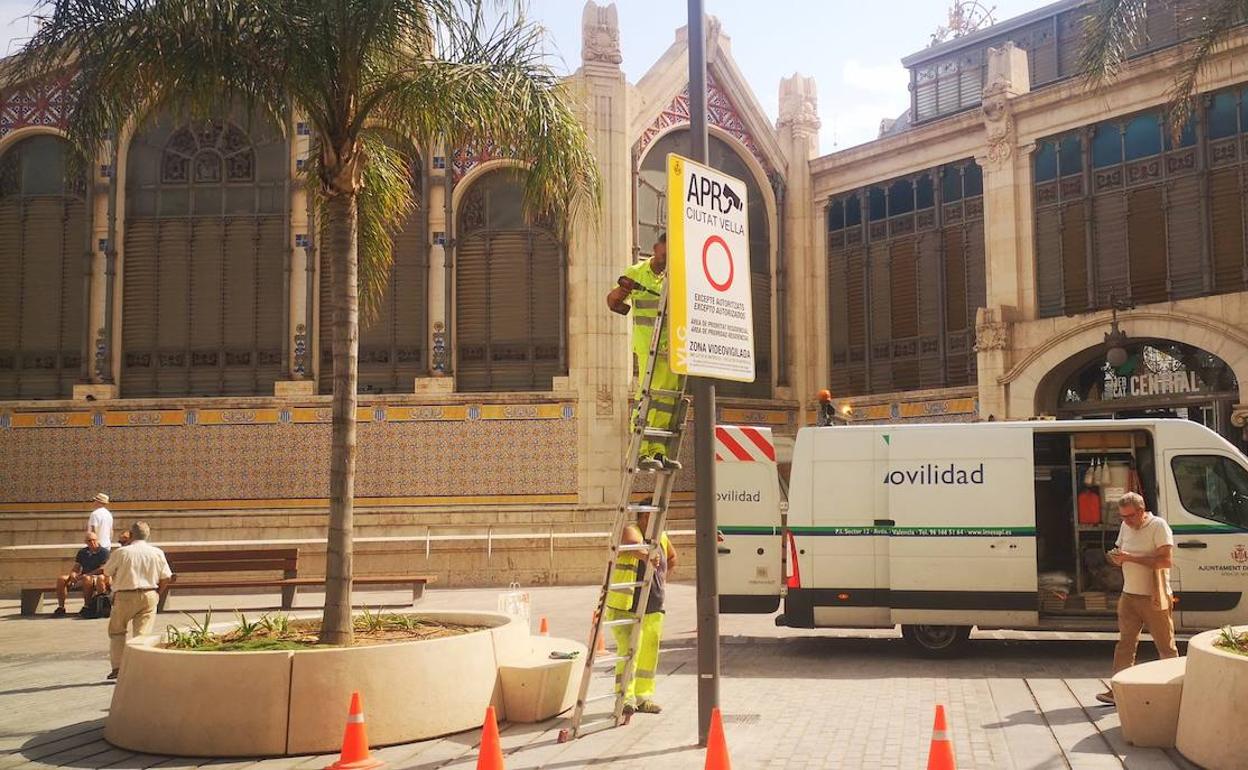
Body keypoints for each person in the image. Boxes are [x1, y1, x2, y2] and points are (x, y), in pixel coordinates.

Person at [606, 233, 683, 471]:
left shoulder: (675, 276)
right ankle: (640, 449)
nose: (666, 260)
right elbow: (613, 302)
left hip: (672, 346)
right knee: (648, 393)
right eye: (664, 255)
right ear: (656, 247)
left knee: (668, 398)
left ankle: (658, 451)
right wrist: (623, 294)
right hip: (648, 345)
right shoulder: (636, 273)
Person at [1096, 492, 1178, 705]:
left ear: (1141, 511)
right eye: (1122, 517)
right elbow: (1121, 554)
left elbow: (1166, 561)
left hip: (1154, 597)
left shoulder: (1159, 526)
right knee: (1125, 644)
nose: (1126, 521)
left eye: (1130, 516)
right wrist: (1117, 558)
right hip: (1129, 594)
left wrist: (1131, 558)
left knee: (1165, 646)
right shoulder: (1126, 526)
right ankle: (1118, 692)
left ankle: (1176, 692)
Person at [604, 510, 677, 715]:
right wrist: (647, 557)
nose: (661, 523)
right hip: (625, 606)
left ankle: (643, 698)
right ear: (645, 517)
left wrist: (662, 581)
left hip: (653, 607)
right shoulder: (631, 530)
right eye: (657, 518)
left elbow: (672, 557)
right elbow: (634, 545)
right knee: (628, 652)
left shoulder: (661, 536)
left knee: (648, 655)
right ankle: (625, 699)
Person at [103, 521, 172, 681]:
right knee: (143, 634)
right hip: (149, 594)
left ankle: (118, 668)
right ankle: (140, 668)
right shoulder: (157, 552)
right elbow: (166, 577)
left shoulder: (122, 552)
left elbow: (107, 571)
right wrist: (157, 594)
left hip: (124, 595)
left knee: (117, 632)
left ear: (131, 535)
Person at [53, 532, 111, 616]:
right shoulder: (82, 552)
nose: (92, 542)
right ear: (86, 542)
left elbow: (103, 569)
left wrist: (88, 574)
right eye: (89, 541)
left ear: (97, 540)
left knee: (87, 579)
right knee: (61, 579)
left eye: (94, 540)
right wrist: (73, 573)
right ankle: (61, 607)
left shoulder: (104, 552)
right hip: (84, 575)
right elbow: (77, 566)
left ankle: (87, 606)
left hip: (96, 576)